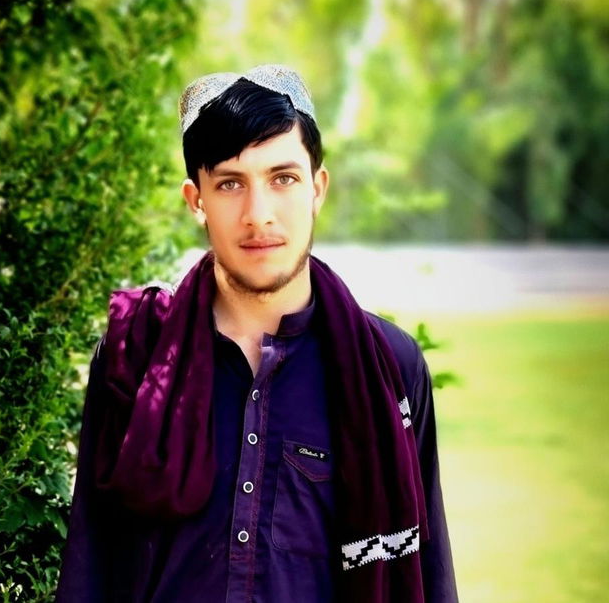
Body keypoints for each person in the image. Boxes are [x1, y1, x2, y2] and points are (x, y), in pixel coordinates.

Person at [57, 64, 458, 602]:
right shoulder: (137, 353)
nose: (258, 214)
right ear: (196, 199)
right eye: (229, 183)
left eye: (283, 178)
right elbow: (91, 563)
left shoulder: (390, 367)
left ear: (317, 188)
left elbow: (429, 577)